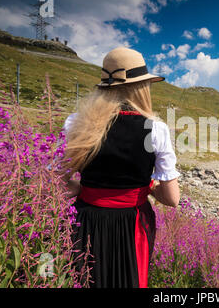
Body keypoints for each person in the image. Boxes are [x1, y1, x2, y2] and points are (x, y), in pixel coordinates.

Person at [59, 47, 180, 288]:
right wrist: (152, 188)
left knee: (85, 280)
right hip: (132, 224)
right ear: (141, 88)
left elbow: (53, 175)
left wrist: (80, 188)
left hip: (85, 219)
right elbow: (172, 199)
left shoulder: (76, 123)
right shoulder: (155, 129)